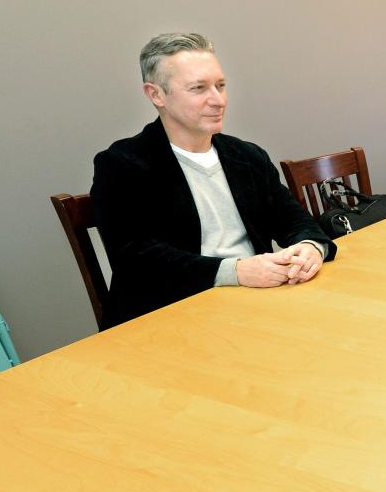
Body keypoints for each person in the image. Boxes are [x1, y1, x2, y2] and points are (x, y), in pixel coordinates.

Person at [92, 33, 334, 327]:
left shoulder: (247, 156)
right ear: (156, 95)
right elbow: (136, 259)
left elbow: (293, 219)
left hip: (256, 305)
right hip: (172, 317)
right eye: (198, 88)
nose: (218, 100)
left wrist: (310, 247)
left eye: (220, 86)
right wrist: (236, 271)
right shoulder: (122, 164)